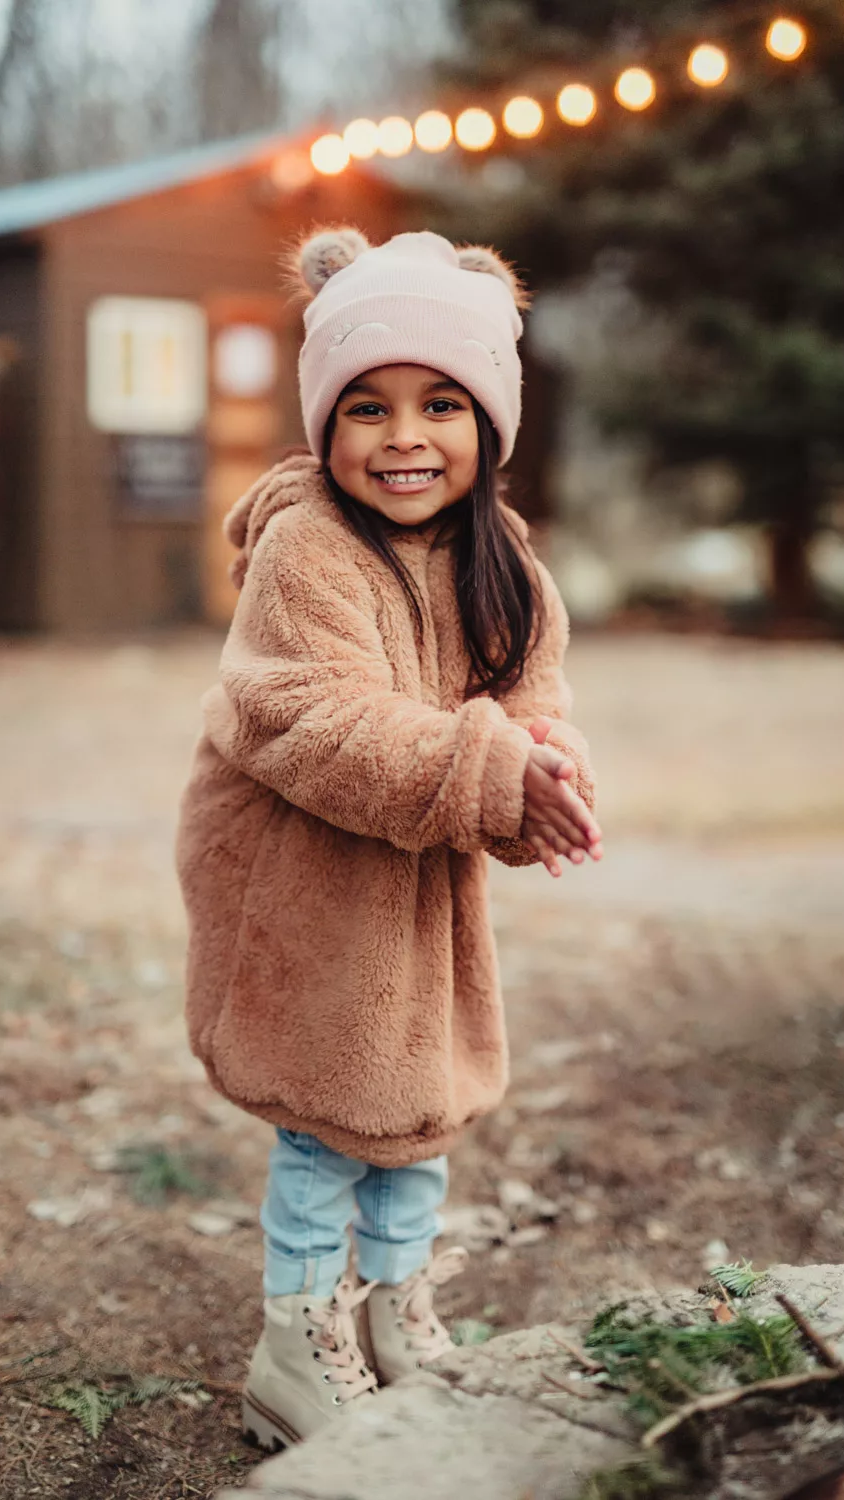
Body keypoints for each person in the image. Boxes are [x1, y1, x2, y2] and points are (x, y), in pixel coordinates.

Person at [175, 227, 603, 1449]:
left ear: (489, 421)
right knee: (326, 1111)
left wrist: (545, 764)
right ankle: (295, 1340)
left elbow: (530, 694)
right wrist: (486, 772)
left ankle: (398, 1309)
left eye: (439, 404)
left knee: (417, 1097)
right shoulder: (308, 542)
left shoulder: (501, 558)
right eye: (365, 406)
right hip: (295, 866)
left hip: (416, 865)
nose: (403, 436)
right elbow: (304, 713)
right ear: (324, 426)